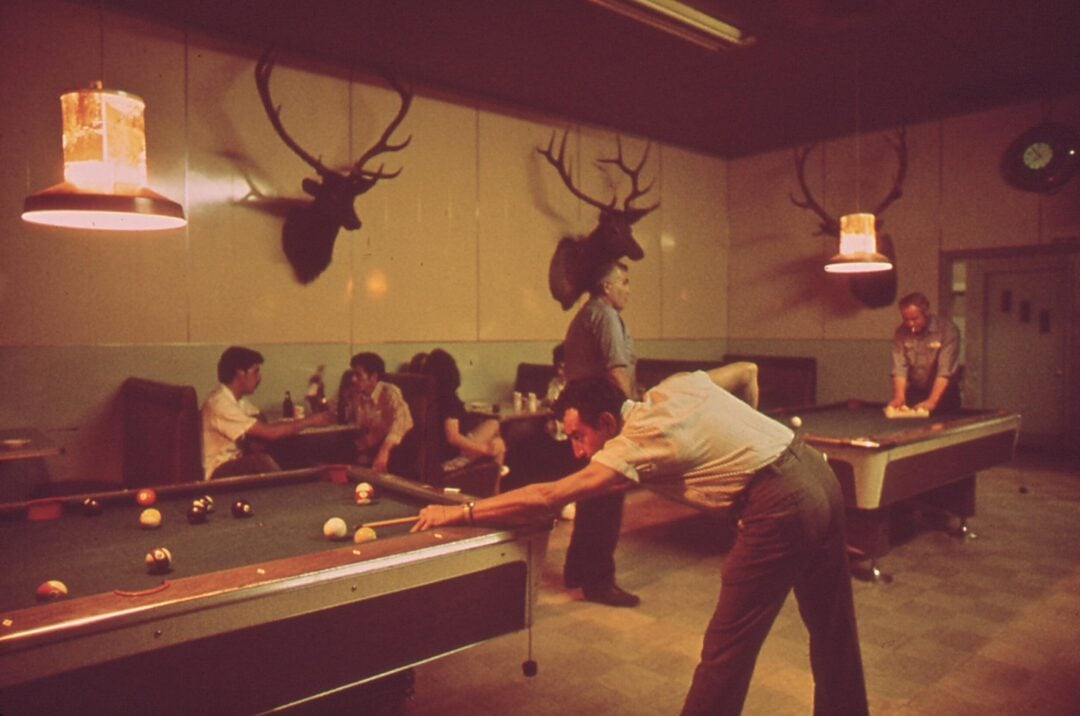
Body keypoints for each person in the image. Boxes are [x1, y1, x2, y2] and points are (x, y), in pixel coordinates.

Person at [413, 364, 868, 715]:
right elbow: (746, 372)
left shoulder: (633, 443)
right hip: (815, 468)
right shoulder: (675, 387)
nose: (577, 449)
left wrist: (460, 510)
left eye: (579, 436)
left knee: (727, 648)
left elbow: (548, 495)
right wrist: (755, 438)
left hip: (780, 503)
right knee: (833, 627)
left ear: (607, 421)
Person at [560, 259, 638, 607]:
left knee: (589, 496)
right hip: (603, 417)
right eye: (623, 281)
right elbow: (617, 371)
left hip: (581, 413)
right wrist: (630, 417)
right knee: (607, 496)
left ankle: (576, 570)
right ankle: (599, 582)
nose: (627, 289)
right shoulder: (605, 315)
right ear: (606, 286)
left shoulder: (582, 315)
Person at [201, 346, 333, 480]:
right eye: (256, 372)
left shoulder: (239, 401)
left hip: (235, 462)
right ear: (240, 373)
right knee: (261, 463)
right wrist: (311, 421)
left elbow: (262, 422)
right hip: (218, 470)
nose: (259, 378)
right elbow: (270, 432)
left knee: (290, 451)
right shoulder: (219, 403)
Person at [420, 348, 508, 477]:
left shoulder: (426, 397)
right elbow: (453, 437)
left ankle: (495, 472)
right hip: (450, 460)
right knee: (498, 439)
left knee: (494, 428)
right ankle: (496, 481)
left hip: (434, 456)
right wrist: (485, 449)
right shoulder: (449, 400)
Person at [339, 352, 414, 473]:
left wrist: (384, 451)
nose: (353, 379)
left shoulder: (390, 392)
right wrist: (303, 423)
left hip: (396, 450)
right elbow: (338, 416)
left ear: (373, 376)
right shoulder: (356, 393)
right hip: (368, 448)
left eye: (358, 375)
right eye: (353, 375)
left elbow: (403, 421)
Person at [889, 291, 962, 413]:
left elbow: (945, 371)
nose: (910, 324)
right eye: (906, 319)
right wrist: (899, 397)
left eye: (914, 319)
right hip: (915, 393)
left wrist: (932, 401)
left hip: (944, 396)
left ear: (926, 312)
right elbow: (899, 368)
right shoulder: (901, 332)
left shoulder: (948, 330)